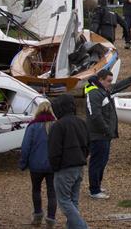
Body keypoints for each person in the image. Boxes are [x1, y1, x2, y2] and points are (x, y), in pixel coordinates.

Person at [48, 94, 89, 229]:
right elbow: (88, 145)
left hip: (64, 168)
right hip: (79, 167)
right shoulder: (81, 122)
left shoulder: (58, 126)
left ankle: (82, 227)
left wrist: (55, 167)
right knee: (73, 201)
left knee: (64, 201)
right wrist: (82, 158)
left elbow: (54, 150)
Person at [20, 101, 57, 228]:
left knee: (36, 190)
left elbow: (25, 147)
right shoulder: (56, 125)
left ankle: (37, 215)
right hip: (52, 165)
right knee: (52, 192)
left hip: (36, 165)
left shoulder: (32, 126)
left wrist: (23, 163)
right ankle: (51, 219)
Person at [84, 70, 119, 199]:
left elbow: (118, 86)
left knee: (102, 161)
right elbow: (95, 116)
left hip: (105, 134)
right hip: (99, 135)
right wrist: (106, 130)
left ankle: (97, 185)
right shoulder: (94, 93)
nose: (110, 84)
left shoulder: (102, 90)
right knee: (97, 162)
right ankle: (94, 190)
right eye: (108, 81)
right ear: (100, 79)